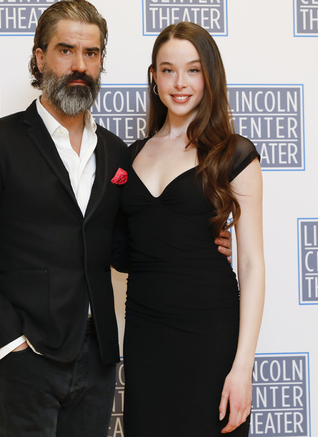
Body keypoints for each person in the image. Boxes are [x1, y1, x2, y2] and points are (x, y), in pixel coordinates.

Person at [0, 0, 129, 437]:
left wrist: (199, 240)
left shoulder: (116, 152)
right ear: (40, 56)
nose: (79, 65)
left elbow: (123, 249)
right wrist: (9, 343)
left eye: (91, 53)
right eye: (66, 50)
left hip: (99, 355)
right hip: (28, 358)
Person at [114, 22, 265, 436]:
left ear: (210, 76)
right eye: (168, 70)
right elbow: (117, 245)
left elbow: (251, 264)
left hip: (210, 338)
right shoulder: (128, 157)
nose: (180, 83)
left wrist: (242, 368)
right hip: (145, 339)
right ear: (154, 77)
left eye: (193, 70)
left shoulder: (234, 153)